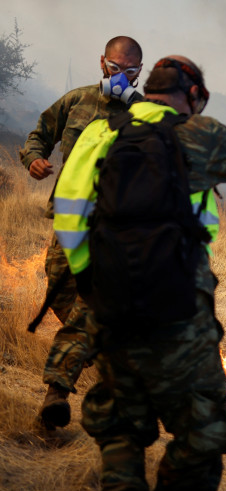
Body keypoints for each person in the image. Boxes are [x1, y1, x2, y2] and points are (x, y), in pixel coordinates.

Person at [53, 55, 226, 491]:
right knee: (203, 430)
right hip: (180, 310)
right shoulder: (198, 133)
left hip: (110, 302)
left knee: (119, 423)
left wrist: (91, 283)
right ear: (193, 94)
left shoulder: (101, 130)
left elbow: (67, 213)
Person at [18, 36, 144, 430]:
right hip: (69, 218)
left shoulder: (147, 118)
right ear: (102, 63)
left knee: (89, 306)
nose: (120, 77)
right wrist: (34, 159)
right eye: (114, 67)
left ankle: (55, 394)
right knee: (59, 287)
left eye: (129, 71)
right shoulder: (78, 101)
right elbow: (39, 134)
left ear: (139, 72)